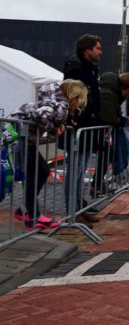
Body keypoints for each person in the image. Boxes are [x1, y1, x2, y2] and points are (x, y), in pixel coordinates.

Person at [11, 80, 87, 230]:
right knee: (33, 175)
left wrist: (56, 128)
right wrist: (54, 129)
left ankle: (26, 209)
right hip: (20, 137)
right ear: (75, 97)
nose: (80, 104)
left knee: (42, 171)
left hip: (23, 137)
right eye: (81, 100)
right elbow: (41, 115)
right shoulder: (61, 105)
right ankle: (32, 216)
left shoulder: (55, 102)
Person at [62, 34, 103, 214]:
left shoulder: (91, 69)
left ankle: (79, 206)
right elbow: (76, 101)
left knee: (81, 170)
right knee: (75, 171)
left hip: (87, 129)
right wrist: (90, 118)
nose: (101, 52)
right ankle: (73, 210)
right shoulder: (75, 69)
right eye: (97, 48)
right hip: (77, 127)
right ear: (87, 50)